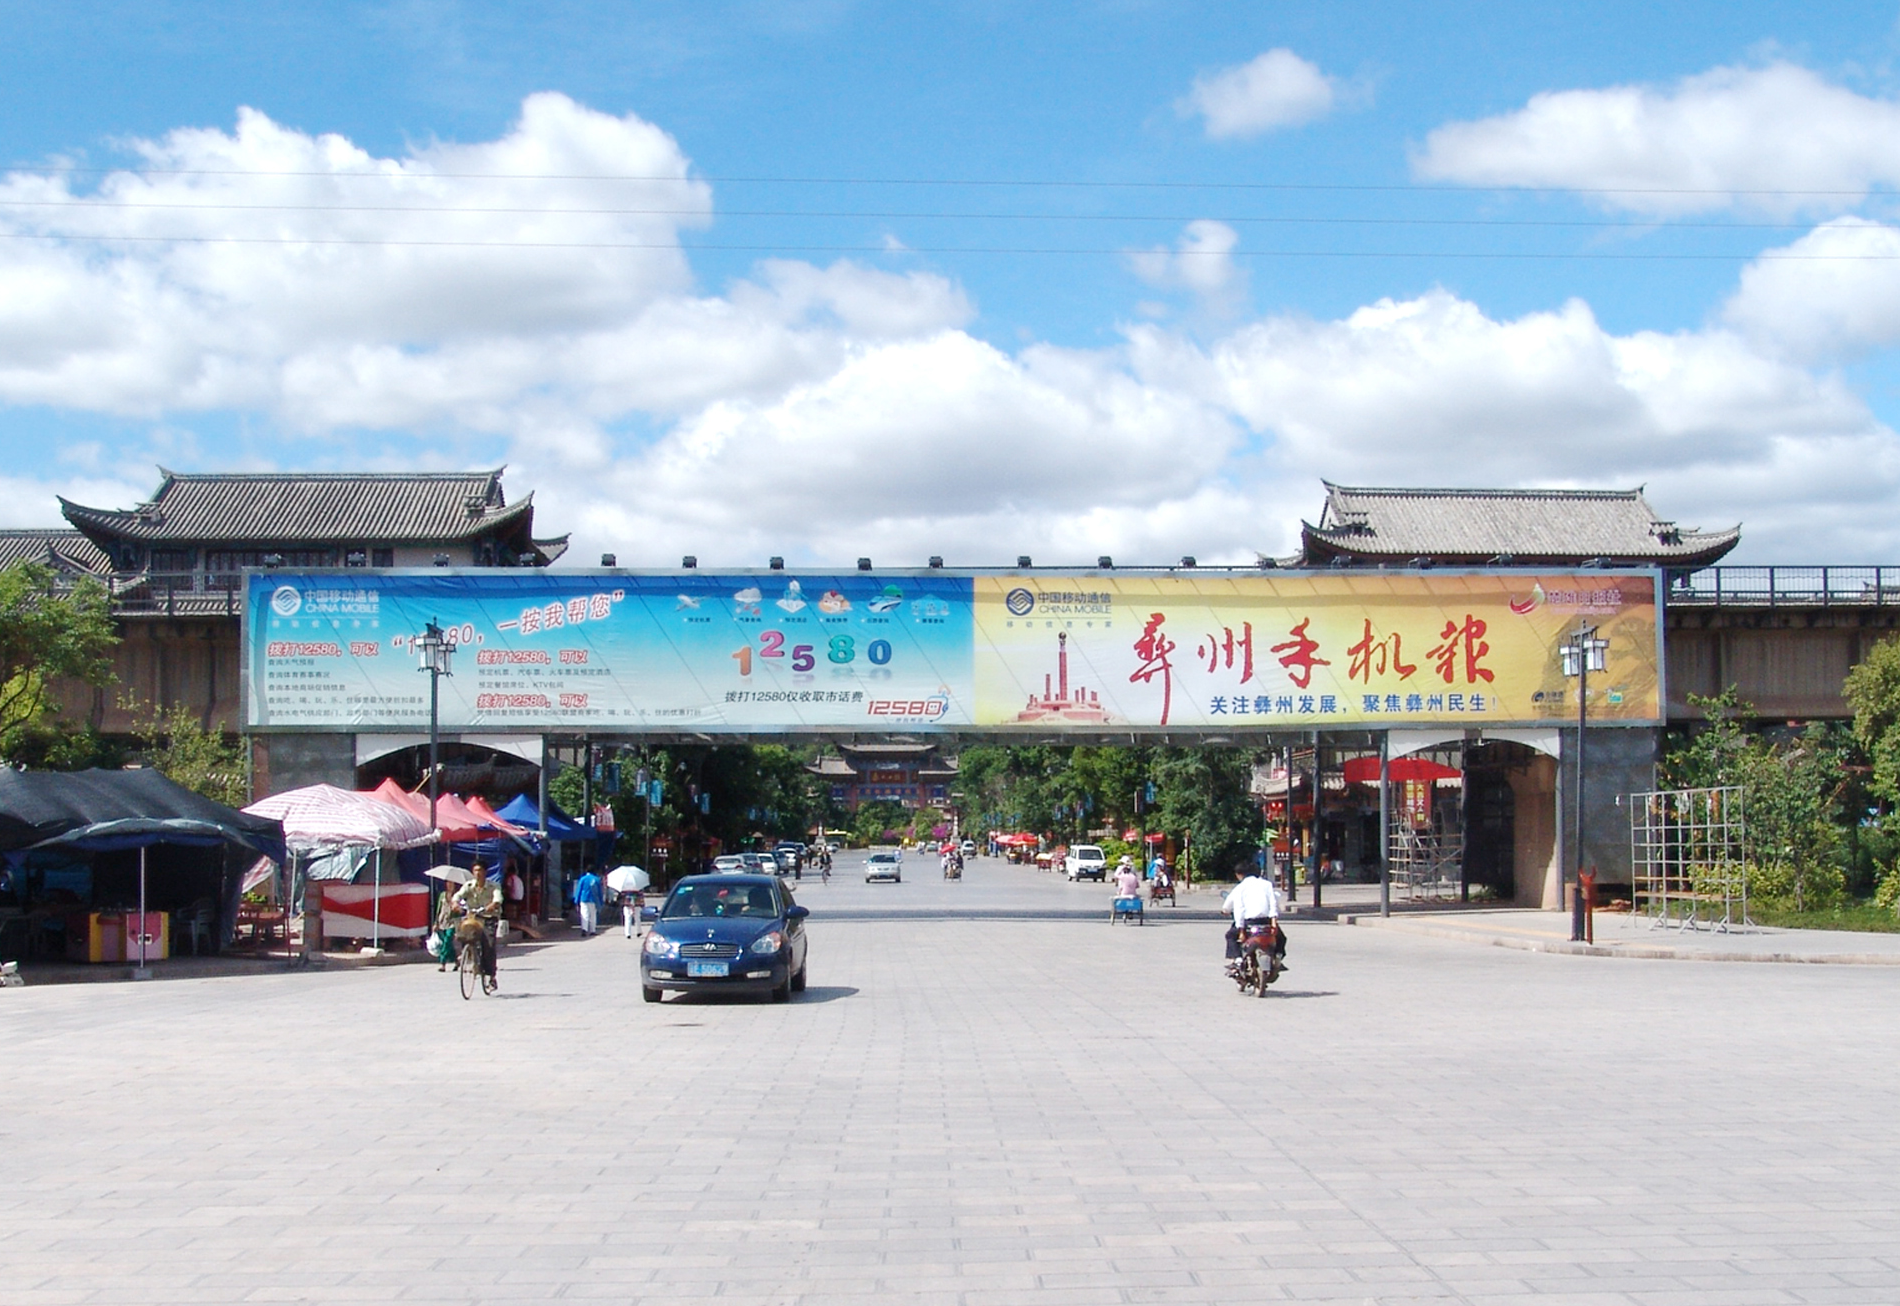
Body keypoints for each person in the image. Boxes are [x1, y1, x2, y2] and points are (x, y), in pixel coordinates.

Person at [1220, 870, 1287, 973]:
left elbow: (1238, 909)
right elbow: (1274, 904)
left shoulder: (1240, 887)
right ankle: (1278, 956)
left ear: (1240, 875)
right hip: (1266, 921)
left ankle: (1238, 959)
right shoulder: (1267, 885)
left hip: (1249, 923)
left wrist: (1241, 929)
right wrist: (1274, 923)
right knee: (1281, 938)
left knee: (1230, 936)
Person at [450, 863, 502, 984]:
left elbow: (498, 898)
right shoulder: (469, 886)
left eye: (480, 870)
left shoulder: (493, 886)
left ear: (485, 872)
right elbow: (458, 895)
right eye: (475, 871)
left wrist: (493, 905)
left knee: (489, 944)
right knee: (463, 934)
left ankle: (491, 975)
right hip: (473, 917)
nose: (477, 873)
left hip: (488, 917)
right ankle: (468, 955)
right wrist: (455, 903)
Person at [573, 866, 603, 936]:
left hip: (584, 899)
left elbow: (579, 890)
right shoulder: (596, 879)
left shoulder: (583, 879)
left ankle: (584, 929)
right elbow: (600, 892)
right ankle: (592, 930)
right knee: (593, 915)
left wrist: (576, 900)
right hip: (594, 900)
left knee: (584, 914)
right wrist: (601, 901)